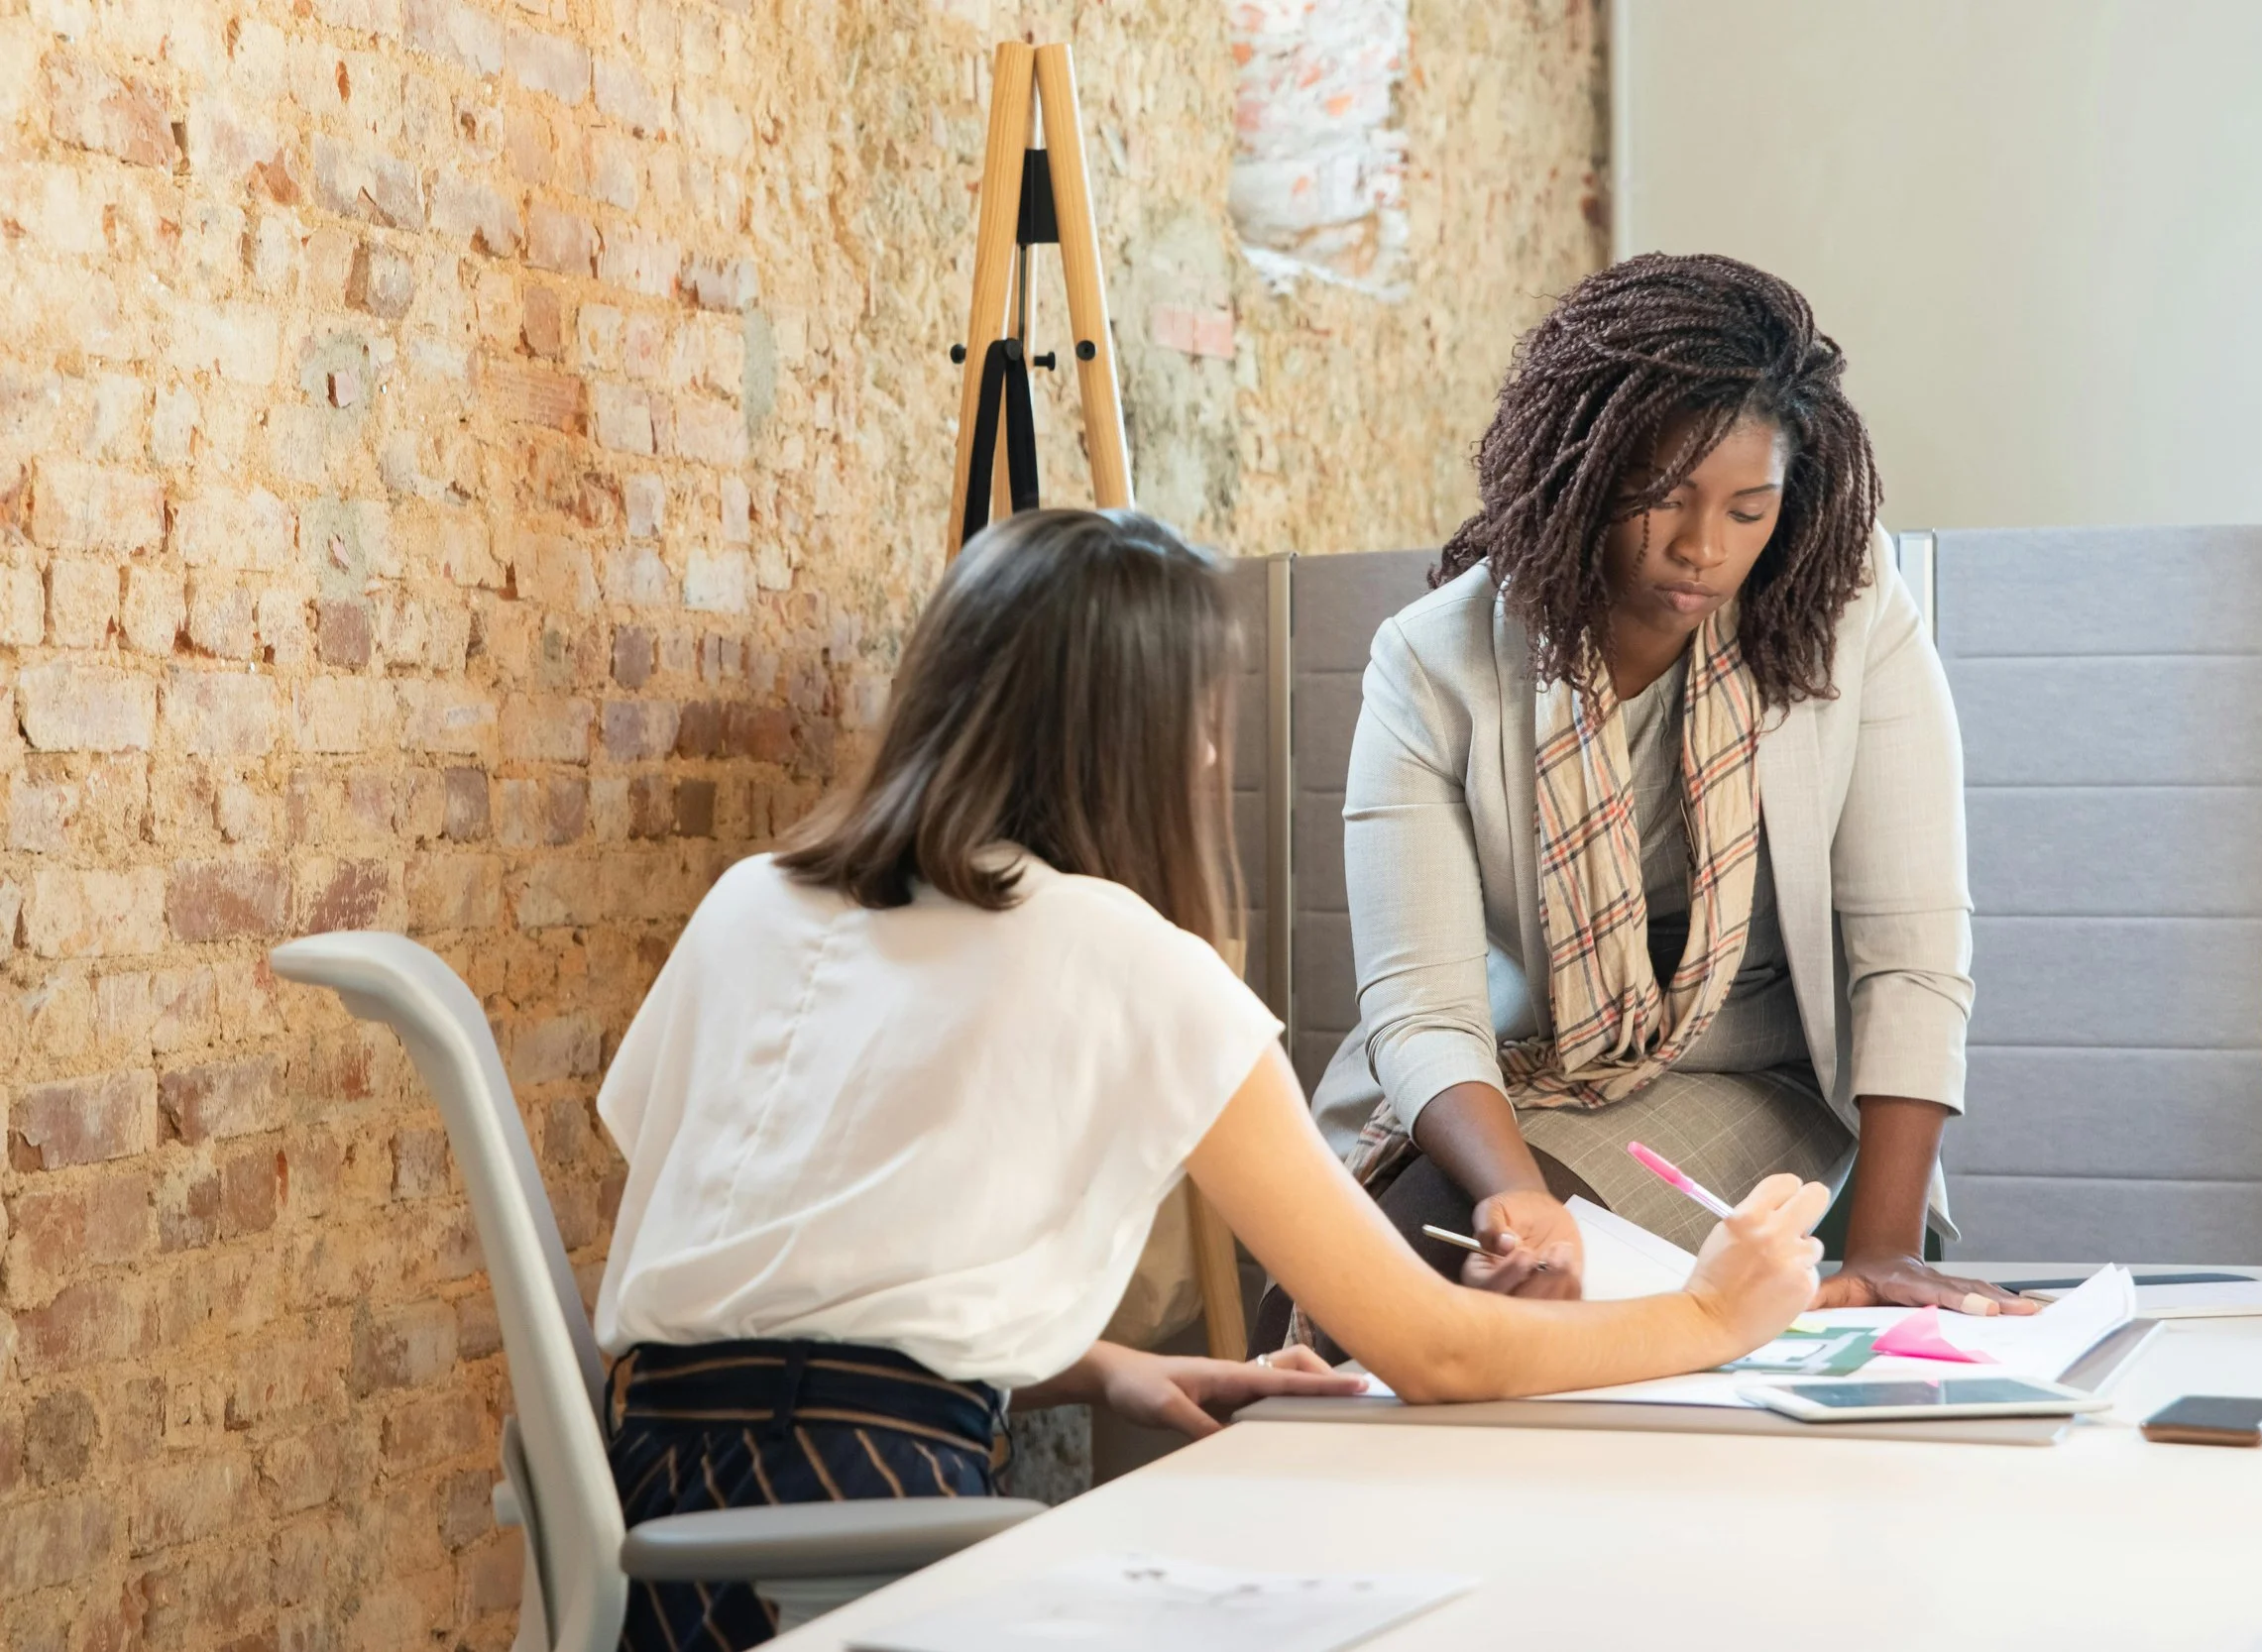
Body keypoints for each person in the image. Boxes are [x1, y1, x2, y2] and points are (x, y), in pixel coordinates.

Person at [593, 507, 1832, 1649]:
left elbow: (762, 1281)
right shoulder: (1132, 958)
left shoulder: (752, 900)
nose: (1200, 749)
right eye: (1196, 711)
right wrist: (1711, 1316)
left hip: (658, 1511)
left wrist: (1102, 1367)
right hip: (868, 1522)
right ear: (1126, 733)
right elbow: (1434, 1351)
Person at [1264, 254, 2030, 1355]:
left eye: (1747, 509)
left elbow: (1908, 951)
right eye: (1664, 497)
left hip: (1757, 1079)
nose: (1702, 549)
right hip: (1510, 1077)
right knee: (1363, 1306)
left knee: (1484, 1316)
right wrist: (1513, 1201)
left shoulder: (1841, 607)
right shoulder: (1434, 663)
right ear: (1580, 468)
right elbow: (1424, 1009)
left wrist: (1880, 1248)